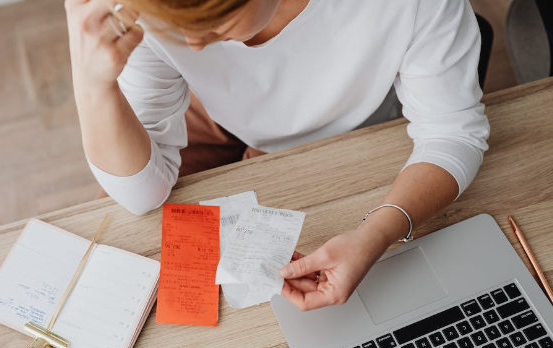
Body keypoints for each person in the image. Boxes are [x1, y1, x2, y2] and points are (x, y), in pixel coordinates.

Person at [64, 0, 490, 311]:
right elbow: (142, 196)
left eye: (215, 20)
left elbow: (453, 133)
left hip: (348, 117)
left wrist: (377, 233)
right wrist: (92, 86)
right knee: (113, 229)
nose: (193, 46)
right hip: (207, 105)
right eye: (174, 26)